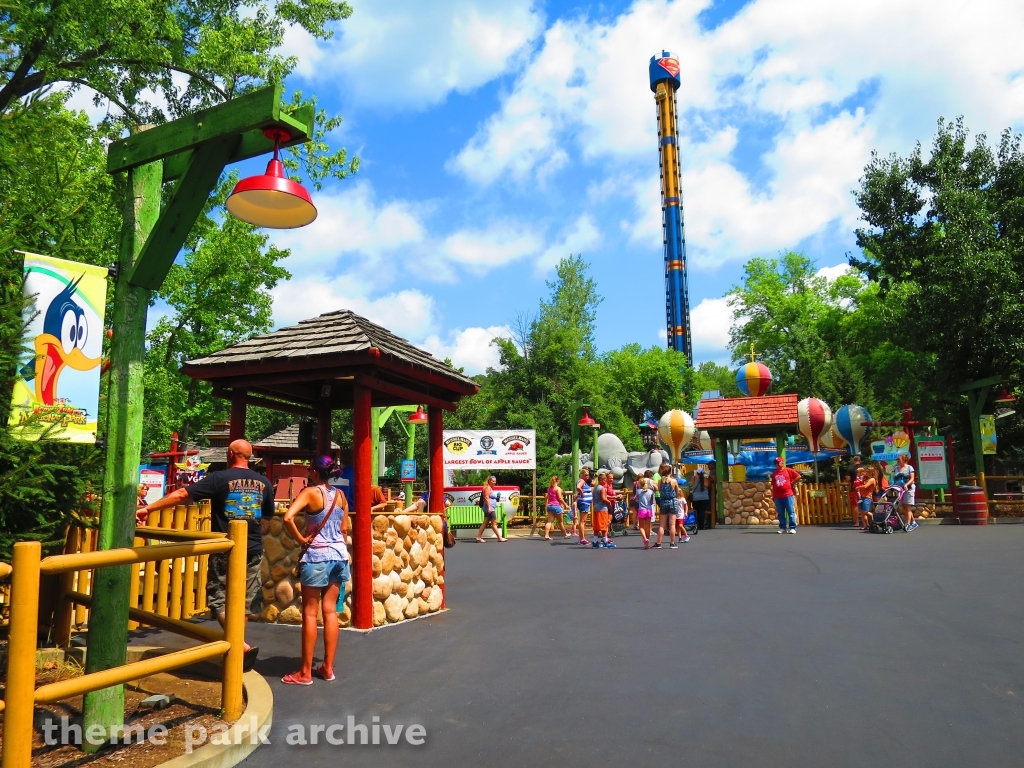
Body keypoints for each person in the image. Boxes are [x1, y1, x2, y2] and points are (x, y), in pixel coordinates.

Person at [137, 439, 270, 669]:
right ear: (250, 456)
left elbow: (181, 495)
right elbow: (266, 519)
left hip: (224, 548)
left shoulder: (219, 478)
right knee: (243, 603)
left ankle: (238, 646)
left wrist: (149, 508)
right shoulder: (264, 482)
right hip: (253, 550)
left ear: (230, 454)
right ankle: (236, 651)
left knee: (218, 599)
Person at [280, 455, 349, 685]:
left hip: (317, 556)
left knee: (310, 613)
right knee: (330, 612)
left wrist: (302, 539)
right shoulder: (340, 496)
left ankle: (305, 673)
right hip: (339, 556)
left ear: (314, 472)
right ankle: (327, 668)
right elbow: (344, 530)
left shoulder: (310, 493)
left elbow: (288, 517)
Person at [771, 456, 801, 533]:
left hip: (788, 494)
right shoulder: (774, 473)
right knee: (780, 512)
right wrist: (773, 495)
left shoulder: (788, 470)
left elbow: (798, 476)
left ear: (782, 462)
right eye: (775, 463)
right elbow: (773, 485)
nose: (777, 464)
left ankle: (793, 527)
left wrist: (792, 483)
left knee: (790, 511)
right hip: (778, 495)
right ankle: (782, 527)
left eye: (778, 462)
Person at [655, 464, 681, 548]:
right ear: (670, 471)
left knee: (662, 525)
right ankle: (672, 543)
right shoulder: (673, 481)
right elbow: (677, 492)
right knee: (672, 524)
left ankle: (658, 543)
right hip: (672, 502)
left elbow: (659, 490)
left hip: (663, 502)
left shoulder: (660, 481)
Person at [476, 475, 508, 542]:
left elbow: (491, 498)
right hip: (490, 509)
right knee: (494, 523)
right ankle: (500, 538)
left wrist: (497, 497)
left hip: (489, 508)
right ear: (489, 481)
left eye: (495, 481)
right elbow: (486, 498)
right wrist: (489, 507)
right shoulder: (487, 488)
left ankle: (478, 537)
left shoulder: (490, 488)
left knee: (485, 523)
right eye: (493, 481)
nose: (494, 482)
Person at [590, 470, 615, 548]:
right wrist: (608, 502)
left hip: (596, 508)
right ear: (600, 480)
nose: (604, 481)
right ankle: (605, 542)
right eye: (603, 480)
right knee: (604, 526)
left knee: (597, 527)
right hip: (602, 509)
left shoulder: (595, 487)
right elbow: (604, 498)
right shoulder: (602, 488)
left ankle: (595, 542)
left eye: (605, 479)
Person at [894, 453, 918, 530]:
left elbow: (912, 479)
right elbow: (894, 478)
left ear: (904, 460)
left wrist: (906, 485)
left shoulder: (909, 468)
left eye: (898, 459)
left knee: (907, 506)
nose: (897, 460)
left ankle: (907, 524)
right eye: (897, 459)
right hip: (900, 489)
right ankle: (913, 522)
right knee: (904, 506)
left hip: (908, 489)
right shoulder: (896, 468)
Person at [542, 475, 571, 540]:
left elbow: (548, 498)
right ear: (557, 481)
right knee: (560, 522)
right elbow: (560, 498)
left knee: (549, 521)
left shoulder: (549, 489)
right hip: (556, 506)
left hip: (550, 506)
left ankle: (546, 535)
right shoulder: (558, 488)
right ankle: (565, 534)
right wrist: (566, 505)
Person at [634, 477, 655, 548]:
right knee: (648, 527)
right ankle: (647, 543)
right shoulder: (650, 491)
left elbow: (636, 498)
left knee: (641, 527)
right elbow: (651, 501)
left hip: (642, 510)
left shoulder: (638, 491)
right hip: (649, 510)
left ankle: (645, 539)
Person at [574, 468, 593, 546]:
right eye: (586, 475)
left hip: (584, 502)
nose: (588, 476)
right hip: (584, 503)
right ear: (582, 475)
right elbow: (578, 487)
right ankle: (582, 539)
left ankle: (581, 538)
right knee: (583, 522)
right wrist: (582, 494)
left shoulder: (584, 481)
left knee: (582, 521)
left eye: (588, 475)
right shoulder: (582, 481)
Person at [856, 466, 877, 530]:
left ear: (871, 472)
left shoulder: (872, 479)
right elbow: (858, 479)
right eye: (866, 471)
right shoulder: (865, 478)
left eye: (867, 472)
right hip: (861, 497)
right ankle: (865, 525)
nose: (866, 473)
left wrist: (858, 487)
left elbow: (865, 486)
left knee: (865, 511)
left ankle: (876, 517)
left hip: (867, 497)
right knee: (862, 513)